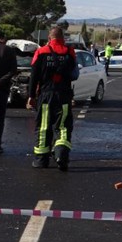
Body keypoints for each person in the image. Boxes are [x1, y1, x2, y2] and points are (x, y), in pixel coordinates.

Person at [27, 26, 78, 171]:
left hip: (45, 95)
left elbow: (34, 77)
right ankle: (62, 156)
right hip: (64, 95)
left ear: (50, 38)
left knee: (43, 126)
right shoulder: (70, 52)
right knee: (63, 126)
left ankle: (41, 160)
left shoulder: (41, 52)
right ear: (63, 39)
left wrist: (31, 96)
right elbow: (75, 75)